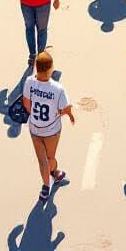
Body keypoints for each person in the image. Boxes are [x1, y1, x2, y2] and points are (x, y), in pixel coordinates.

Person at [23, 50, 75, 203]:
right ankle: (51, 179)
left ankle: (49, 182)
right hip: (51, 130)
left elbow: (27, 104)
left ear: (36, 69)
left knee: (41, 160)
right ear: (51, 69)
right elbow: (64, 109)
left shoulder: (29, 82)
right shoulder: (58, 89)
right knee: (49, 157)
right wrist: (69, 111)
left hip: (34, 127)